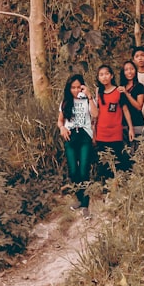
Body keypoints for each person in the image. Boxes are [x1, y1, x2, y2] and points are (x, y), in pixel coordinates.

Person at [57, 74, 97, 218]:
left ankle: (85, 205)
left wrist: (90, 96)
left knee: (83, 170)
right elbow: (60, 121)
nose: (75, 90)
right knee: (73, 171)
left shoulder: (87, 99)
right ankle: (80, 199)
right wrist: (62, 128)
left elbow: (95, 114)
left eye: (78, 87)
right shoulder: (65, 102)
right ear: (69, 88)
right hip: (70, 136)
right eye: (72, 87)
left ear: (82, 87)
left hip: (85, 135)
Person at [93, 64, 133, 181]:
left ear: (111, 76)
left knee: (120, 160)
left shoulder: (119, 91)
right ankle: (106, 189)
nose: (104, 77)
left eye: (106, 74)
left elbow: (125, 110)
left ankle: (122, 185)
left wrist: (130, 128)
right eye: (101, 75)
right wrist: (94, 132)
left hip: (116, 133)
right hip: (101, 133)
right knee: (104, 163)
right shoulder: (98, 93)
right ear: (98, 78)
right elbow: (96, 114)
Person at [119, 60, 144, 153]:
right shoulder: (121, 87)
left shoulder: (139, 87)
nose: (129, 72)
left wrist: (126, 93)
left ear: (135, 71)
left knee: (139, 153)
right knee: (126, 153)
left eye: (131, 69)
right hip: (123, 125)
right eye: (126, 70)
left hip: (137, 123)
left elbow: (139, 106)